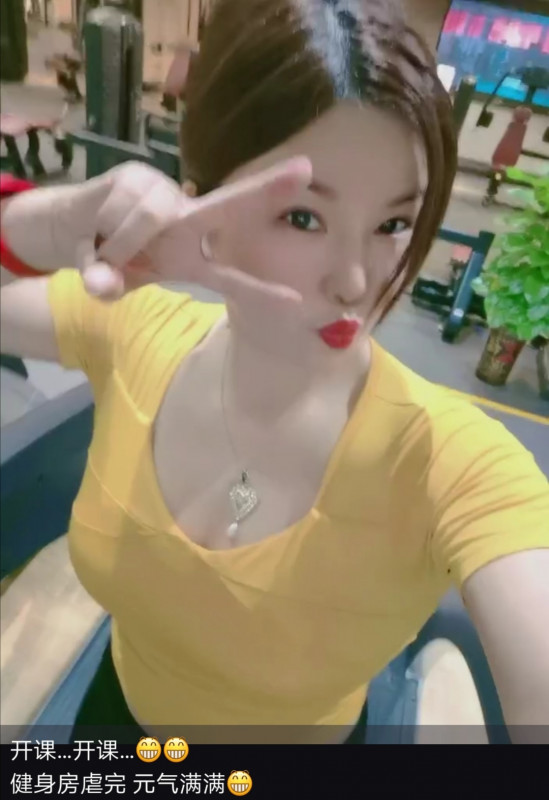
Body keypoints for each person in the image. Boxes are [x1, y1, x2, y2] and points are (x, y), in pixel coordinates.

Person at [1, 0, 548, 745]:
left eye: (393, 224)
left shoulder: (451, 460)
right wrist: (42, 222)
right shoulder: (135, 328)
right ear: (201, 196)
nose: (356, 282)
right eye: (302, 217)